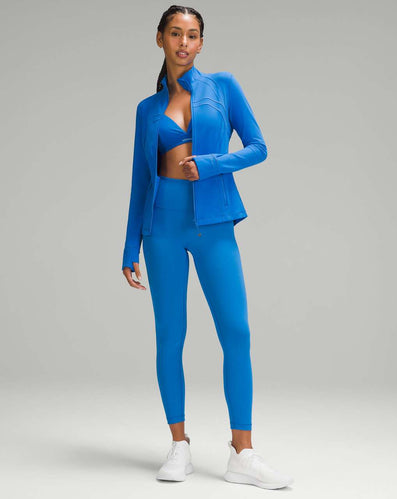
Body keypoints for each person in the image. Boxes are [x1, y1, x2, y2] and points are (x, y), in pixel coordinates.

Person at [121, 5, 294, 490]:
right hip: (160, 229)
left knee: (236, 332)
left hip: (214, 223)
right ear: (160, 38)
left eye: (192, 35)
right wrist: (130, 246)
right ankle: (179, 445)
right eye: (175, 33)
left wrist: (213, 163)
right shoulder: (147, 109)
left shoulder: (223, 87)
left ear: (201, 43)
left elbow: (258, 146)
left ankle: (243, 452)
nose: (183, 43)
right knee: (170, 336)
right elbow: (140, 180)